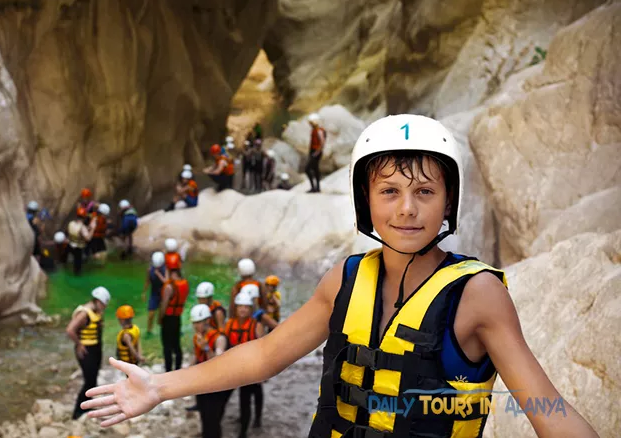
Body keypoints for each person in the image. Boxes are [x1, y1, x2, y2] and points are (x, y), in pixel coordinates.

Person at [79, 114, 601, 438]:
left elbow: (546, 408)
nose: (407, 210)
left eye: (425, 192)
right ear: (365, 202)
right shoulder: (345, 280)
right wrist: (160, 387)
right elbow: (263, 355)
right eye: (389, 191)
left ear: (448, 203)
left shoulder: (479, 294)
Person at [224, 292, 265, 437]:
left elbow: (262, 348)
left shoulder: (256, 325)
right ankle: (244, 425)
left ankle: (255, 420)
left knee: (255, 392)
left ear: (250, 309)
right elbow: (226, 346)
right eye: (240, 306)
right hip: (239, 368)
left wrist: (262, 371)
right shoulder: (229, 324)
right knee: (244, 398)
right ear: (235, 308)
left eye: (246, 307)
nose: (242, 309)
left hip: (253, 367)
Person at [66, 286, 111, 420]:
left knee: (93, 379)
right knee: (89, 381)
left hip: (95, 348)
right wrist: (79, 344)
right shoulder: (84, 313)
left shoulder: (96, 311)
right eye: (103, 304)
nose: (104, 307)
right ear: (97, 301)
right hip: (86, 350)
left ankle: (87, 406)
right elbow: (70, 330)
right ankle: (77, 412)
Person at [190, 304, 233, 438]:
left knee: (213, 417)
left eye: (199, 322)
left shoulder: (219, 338)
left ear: (207, 321)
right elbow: (195, 356)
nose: (196, 326)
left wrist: (207, 348)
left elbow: (218, 362)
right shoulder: (198, 336)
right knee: (203, 412)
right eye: (194, 323)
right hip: (204, 381)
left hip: (219, 383)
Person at [159, 267, 189, 372]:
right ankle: (178, 368)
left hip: (168, 318)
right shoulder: (184, 284)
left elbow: (164, 304)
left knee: (167, 346)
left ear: (173, 274)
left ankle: (168, 370)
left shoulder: (169, 287)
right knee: (176, 344)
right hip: (177, 317)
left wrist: (160, 318)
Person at [142, 252, 167, 336]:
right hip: (154, 294)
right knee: (151, 314)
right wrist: (144, 292)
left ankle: (162, 331)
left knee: (160, 318)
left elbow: (166, 282)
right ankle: (149, 331)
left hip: (163, 295)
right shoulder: (150, 270)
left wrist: (158, 274)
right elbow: (147, 281)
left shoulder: (166, 270)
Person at [66, 207, 93, 275]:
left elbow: (68, 232)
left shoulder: (71, 223)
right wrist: (92, 229)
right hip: (78, 247)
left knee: (74, 262)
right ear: (84, 217)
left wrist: (87, 228)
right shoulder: (82, 227)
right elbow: (88, 238)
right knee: (77, 267)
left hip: (70, 245)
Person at [305, 112, 326, 193]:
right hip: (314, 152)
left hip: (316, 152)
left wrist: (316, 153)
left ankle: (314, 187)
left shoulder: (318, 131)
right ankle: (316, 188)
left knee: (308, 169)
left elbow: (322, 143)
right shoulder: (315, 130)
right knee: (315, 169)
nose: (310, 124)